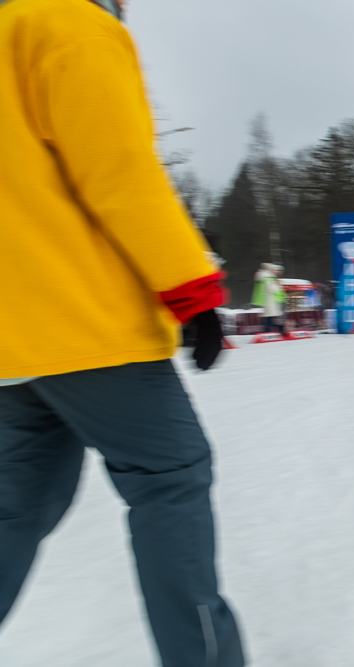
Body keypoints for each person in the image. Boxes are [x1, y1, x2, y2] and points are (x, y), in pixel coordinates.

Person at [0, 1, 245, 665]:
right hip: (85, 327)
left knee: (16, 506)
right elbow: (119, 171)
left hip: (12, 340)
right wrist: (192, 289)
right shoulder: (67, 23)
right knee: (171, 476)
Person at [252, 262, 286, 332]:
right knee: (272, 317)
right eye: (274, 270)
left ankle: (269, 331)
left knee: (270, 317)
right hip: (271, 300)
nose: (276, 271)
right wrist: (277, 285)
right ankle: (276, 331)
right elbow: (271, 289)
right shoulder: (268, 278)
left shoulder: (264, 277)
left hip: (268, 300)